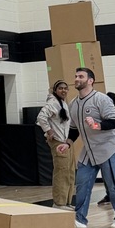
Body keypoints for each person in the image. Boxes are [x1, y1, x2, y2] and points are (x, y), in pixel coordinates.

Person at [57, 67, 115, 228]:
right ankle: (80, 219)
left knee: (113, 184)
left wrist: (97, 125)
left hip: (108, 147)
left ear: (90, 81)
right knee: (82, 183)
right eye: (76, 76)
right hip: (88, 150)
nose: (77, 79)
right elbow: (74, 129)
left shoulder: (102, 99)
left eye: (81, 76)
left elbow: (114, 122)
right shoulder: (73, 104)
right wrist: (67, 143)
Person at [36, 80, 76, 208]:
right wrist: (48, 130)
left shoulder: (63, 103)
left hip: (66, 142)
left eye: (65, 88)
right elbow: (41, 117)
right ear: (55, 90)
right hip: (58, 141)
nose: (63, 90)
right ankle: (59, 202)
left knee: (70, 172)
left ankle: (67, 201)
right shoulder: (52, 103)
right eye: (60, 88)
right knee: (62, 172)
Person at [96, 92, 115, 209]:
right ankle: (109, 195)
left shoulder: (111, 117)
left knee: (114, 174)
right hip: (101, 148)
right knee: (106, 174)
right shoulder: (101, 113)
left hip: (113, 148)